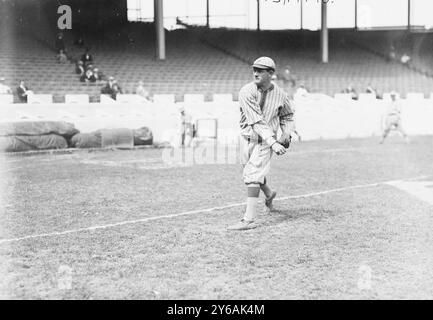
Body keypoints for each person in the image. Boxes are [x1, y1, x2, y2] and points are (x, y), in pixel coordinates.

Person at [227, 56, 294, 231]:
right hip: (246, 138)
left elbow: (287, 115)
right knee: (249, 172)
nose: (255, 73)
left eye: (260, 70)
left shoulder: (281, 94)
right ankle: (269, 194)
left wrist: (285, 133)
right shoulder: (246, 91)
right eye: (254, 69)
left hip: (265, 141)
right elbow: (256, 121)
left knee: (253, 175)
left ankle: (249, 220)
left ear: (270, 73)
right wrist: (274, 143)